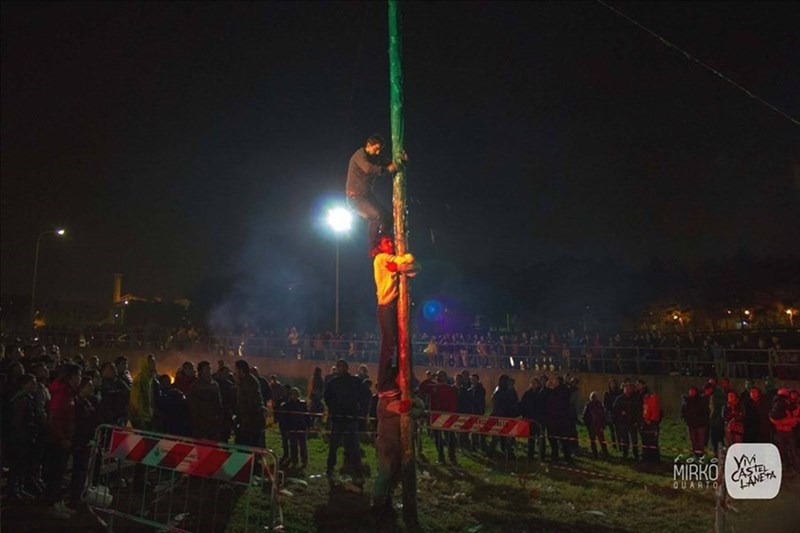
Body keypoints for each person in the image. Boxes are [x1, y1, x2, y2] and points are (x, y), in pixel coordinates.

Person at [372, 234, 421, 395]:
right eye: (386, 242)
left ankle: (400, 376)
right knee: (389, 342)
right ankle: (384, 383)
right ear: (380, 246)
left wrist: (402, 266)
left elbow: (415, 269)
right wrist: (406, 260)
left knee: (402, 341)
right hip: (386, 306)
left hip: (395, 306)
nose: (391, 243)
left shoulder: (390, 259)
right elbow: (408, 263)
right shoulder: (381, 258)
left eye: (391, 241)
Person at [345, 134, 406, 249]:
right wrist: (385, 169)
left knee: (388, 217)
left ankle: (383, 239)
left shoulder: (376, 157)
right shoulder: (360, 155)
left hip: (367, 196)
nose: (378, 152)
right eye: (376, 149)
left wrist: (401, 161)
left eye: (379, 150)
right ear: (368, 145)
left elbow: (390, 163)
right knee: (376, 216)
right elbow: (367, 168)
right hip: (355, 198)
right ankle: (373, 246)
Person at [44, 363, 81, 518]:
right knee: (55, 473)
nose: (80, 379)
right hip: (58, 441)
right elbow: (55, 419)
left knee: (59, 473)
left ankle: (58, 503)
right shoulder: (61, 392)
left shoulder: (68, 392)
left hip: (63, 438)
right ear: (71, 377)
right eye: (79, 376)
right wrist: (62, 438)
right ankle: (52, 505)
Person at [324, 359, 364, 482]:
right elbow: (327, 397)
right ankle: (330, 468)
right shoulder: (333, 382)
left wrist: (358, 410)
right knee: (334, 445)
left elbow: (363, 396)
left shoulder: (354, 381)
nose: (341, 368)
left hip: (350, 417)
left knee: (353, 445)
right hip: (338, 417)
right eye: (339, 366)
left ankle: (356, 470)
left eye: (343, 366)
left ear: (347, 368)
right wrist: (333, 409)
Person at [233, 360, 266, 448]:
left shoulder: (249, 382)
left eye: (236, 369)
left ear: (241, 370)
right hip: (246, 420)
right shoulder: (242, 381)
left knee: (250, 446)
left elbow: (252, 402)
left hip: (251, 421)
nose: (234, 371)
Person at [188, 361, 223, 441]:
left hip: (214, 424)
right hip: (201, 426)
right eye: (207, 370)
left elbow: (219, 404)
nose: (209, 371)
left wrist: (219, 420)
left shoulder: (215, 385)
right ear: (201, 372)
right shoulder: (196, 387)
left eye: (210, 369)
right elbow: (193, 408)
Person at [612, 382, 641, 460]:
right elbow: (614, 410)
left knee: (634, 440)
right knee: (625, 440)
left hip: (633, 423)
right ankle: (625, 455)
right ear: (624, 389)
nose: (628, 390)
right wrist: (620, 413)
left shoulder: (635, 399)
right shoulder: (619, 399)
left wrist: (637, 421)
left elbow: (639, 411)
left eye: (630, 389)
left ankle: (636, 455)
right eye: (626, 389)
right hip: (623, 423)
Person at [519, 377, 545, 460]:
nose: (533, 385)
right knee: (531, 438)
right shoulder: (527, 393)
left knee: (540, 438)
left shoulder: (541, 393)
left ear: (538, 384)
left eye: (535, 383)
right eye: (532, 383)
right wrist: (524, 415)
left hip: (539, 419)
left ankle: (542, 455)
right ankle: (530, 455)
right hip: (530, 419)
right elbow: (522, 405)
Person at [283, 387, 310, 468]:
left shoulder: (302, 404)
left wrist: (308, 425)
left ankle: (304, 460)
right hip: (292, 428)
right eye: (292, 394)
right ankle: (295, 461)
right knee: (293, 446)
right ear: (290, 395)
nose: (294, 396)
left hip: (301, 427)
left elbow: (306, 415)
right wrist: (287, 429)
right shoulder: (287, 405)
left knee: (303, 446)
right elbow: (285, 419)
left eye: (296, 394)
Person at [681, 386, 709, 458]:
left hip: (700, 423)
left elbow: (705, 411)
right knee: (693, 440)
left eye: (693, 391)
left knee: (700, 440)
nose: (692, 392)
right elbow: (683, 411)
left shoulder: (700, 400)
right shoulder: (687, 401)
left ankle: (701, 454)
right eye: (690, 391)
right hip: (691, 423)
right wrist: (685, 419)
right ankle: (695, 454)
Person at [582, 391, 609, 458]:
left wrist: (603, 425)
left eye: (595, 397)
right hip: (592, 427)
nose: (594, 398)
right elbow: (584, 416)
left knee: (602, 441)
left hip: (599, 426)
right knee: (593, 442)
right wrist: (588, 425)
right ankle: (595, 455)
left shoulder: (599, 405)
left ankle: (605, 454)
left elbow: (603, 416)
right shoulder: (588, 405)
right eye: (593, 397)